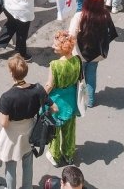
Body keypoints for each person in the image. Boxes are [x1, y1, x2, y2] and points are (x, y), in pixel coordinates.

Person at [0, 54, 53, 189]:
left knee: (10, 165)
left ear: (11, 73)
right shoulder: (37, 89)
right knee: (27, 163)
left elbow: (4, 123)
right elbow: (54, 107)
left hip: (12, 135)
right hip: (29, 131)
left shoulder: (7, 96)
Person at [68, 0, 117, 107]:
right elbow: (112, 33)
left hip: (80, 54)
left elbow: (72, 36)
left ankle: (76, 100)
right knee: (91, 76)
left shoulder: (79, 16)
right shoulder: (105, 15)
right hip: (97, 54)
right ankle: (90, 101)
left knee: (77, 76)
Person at [44, 30, 81, 166]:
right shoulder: (77, 60)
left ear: (62, 48)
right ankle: (69, 154)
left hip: (57, 101)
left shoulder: (55, 65)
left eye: (55, 45)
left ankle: (55, 155)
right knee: (69, 130)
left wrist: (39, 95)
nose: (53, 46)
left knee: (54, 130)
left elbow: (50, 85)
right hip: (71, 100)